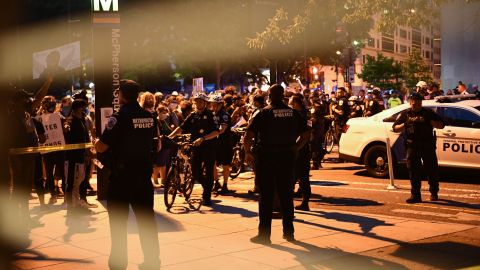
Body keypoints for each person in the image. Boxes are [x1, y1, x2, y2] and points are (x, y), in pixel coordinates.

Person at [95, 80, 160, 270]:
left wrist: (95, 144)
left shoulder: (119, 117)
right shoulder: (149, 116)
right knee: (147, 221)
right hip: (143, 177)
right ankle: (152, 261)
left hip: (122, 178)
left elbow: (103, 146)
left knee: (118, 225)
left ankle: (118, 263)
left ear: (121, 95)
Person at [244, 84, 309, 244]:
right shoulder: (293, 113)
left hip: (266, 158)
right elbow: (306, 133)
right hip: (286, 157)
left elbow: (249, 134)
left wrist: (247, 152)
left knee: (266, 197)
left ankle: (264, 235)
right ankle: (289, 232)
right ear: (283, 96)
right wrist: (296, 147)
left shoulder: (263, 113)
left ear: (270, 96)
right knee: (286, 196)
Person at [392, 92, 445, 203]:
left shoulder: (428, 113)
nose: (415, 106)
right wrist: (406, 124)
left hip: (427, 145)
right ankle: (415, 195)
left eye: (418, 104)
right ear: (410, 103)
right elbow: (395, 128)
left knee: (431, 170)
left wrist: (428, 121)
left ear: (421, 103)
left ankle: (434, 192)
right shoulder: (405, 114)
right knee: (413, 171)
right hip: (412, 146)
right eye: (413, 104)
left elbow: (441, 125)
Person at [168, 92, 219, 206]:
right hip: (195, 147)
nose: (197, 103)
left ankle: (207, 196)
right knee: (195, 172)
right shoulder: (192, 115)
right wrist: (169, 136)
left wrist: (203, 138)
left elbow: (216, 132)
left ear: (205, 103)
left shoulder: (211, 115)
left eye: (200, 101)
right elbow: (181, 128)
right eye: (196, 101)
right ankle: (207, 186)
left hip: (209, 147)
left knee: (209, 172)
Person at [288, 95, 312, 211]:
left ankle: (303, 202)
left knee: (298, 176)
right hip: (303, 149)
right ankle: (304, 202)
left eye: (290, 102)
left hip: (301, 150)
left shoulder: (301, 115)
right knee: (302, 177)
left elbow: (305, 136)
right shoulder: (304, 113)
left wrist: (295, 148)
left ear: (296, 103)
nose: (289, 104)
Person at [209, 94, 234, 194]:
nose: (213, 107)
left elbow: (222, 130)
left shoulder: (224, 115)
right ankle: (216, 182)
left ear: (220, 105)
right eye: (212, 105)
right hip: (214, 143)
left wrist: (212, 133)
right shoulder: (211, 114)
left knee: (225, 165)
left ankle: (225, 185)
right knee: (212, 163)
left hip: (225, 143)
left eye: (215, 105)